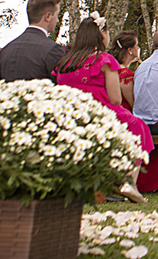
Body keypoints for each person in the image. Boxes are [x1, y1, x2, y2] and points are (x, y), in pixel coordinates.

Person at [54, 16, 149, 203]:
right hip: (99, 114)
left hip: (70, 115)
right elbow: (115, 99)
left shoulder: (64, 62)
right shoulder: (104, 60)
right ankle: (129, 181)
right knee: (137, 126)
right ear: (101, 35)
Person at [0, 0, 66, 82]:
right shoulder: (53, 50)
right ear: (47, 16)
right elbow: (62, 85)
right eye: (56, 15)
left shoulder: (6, 50)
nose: (57, 20)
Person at [108, 30, 140, 110]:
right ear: (129, 50)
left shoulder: (110, 68)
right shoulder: (126, 75)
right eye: (136, 45)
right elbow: (134, 104)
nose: (138, 48)